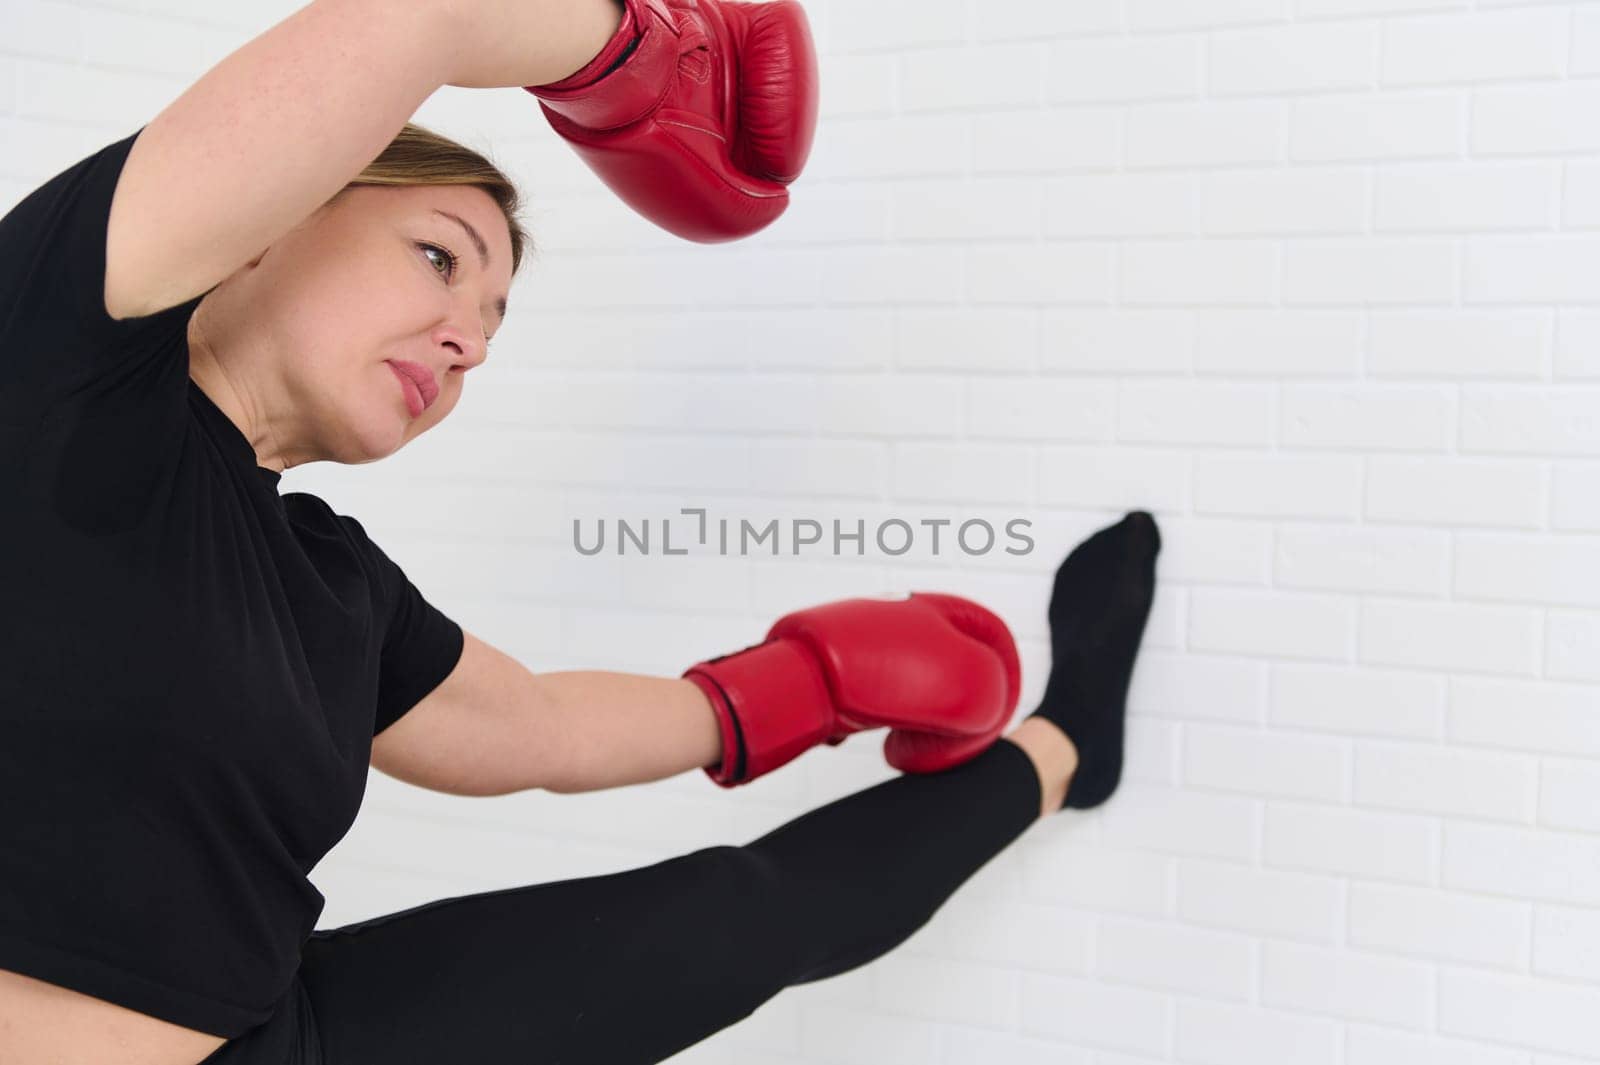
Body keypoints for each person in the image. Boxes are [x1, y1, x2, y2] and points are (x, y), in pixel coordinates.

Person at [0, 1, 1162, 1063]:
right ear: (273, 217)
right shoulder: (55, 361)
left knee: (741, 917)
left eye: (490, 319)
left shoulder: (333, 584)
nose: (470, 341)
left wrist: (795, 688)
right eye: (438, 256)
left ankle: (1062, 748)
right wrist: (634, 55)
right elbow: (424, 16)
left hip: (278, 1041)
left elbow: (538, 731)